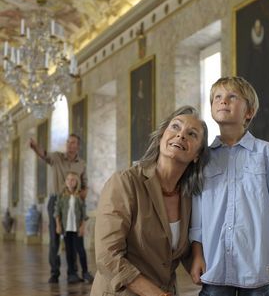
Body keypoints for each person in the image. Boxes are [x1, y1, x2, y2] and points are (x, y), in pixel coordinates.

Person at [189, 76, 269, 296]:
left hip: (257, 267)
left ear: (248, 112)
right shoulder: (203, 159)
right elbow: (198, 212)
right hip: (215, 264)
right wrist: (197, 255)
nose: (223, 101)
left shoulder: (267, 154)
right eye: (217, 97)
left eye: (232, 97)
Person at [90, 105, 209, 296]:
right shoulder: (125, 182)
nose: (181, 135)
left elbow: (174, 250)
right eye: (175, 127)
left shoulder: (190, 197)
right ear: (162, 136)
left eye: (192, 134)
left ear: (197, 155)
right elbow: (107, 257)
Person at [29, 134, 93, 284]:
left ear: (78, 146)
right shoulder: (57, 157)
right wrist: (35, 147)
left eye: (73, 143)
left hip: (73, 202)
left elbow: (85, 184)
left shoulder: (81, 164)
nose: (70, 145)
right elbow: (44, 155)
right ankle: (54, 273)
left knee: (72, 240)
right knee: (54, 239)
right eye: (68, 142)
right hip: (56, 200)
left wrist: (81, 197)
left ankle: (73, 273)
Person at [55, 172, 94, 284]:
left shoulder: (80, 196)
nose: (70, 182)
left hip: (77, 228)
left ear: (76, 181)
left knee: (81, 251)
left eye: (73, 180)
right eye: (68, 179)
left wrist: (82, 226)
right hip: (66, 229)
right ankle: (72, 273)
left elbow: (83, 213)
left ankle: (85, 272)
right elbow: (57, 211)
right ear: (65, 182)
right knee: (69, 252)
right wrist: (58, 225)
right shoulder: (62, 195)